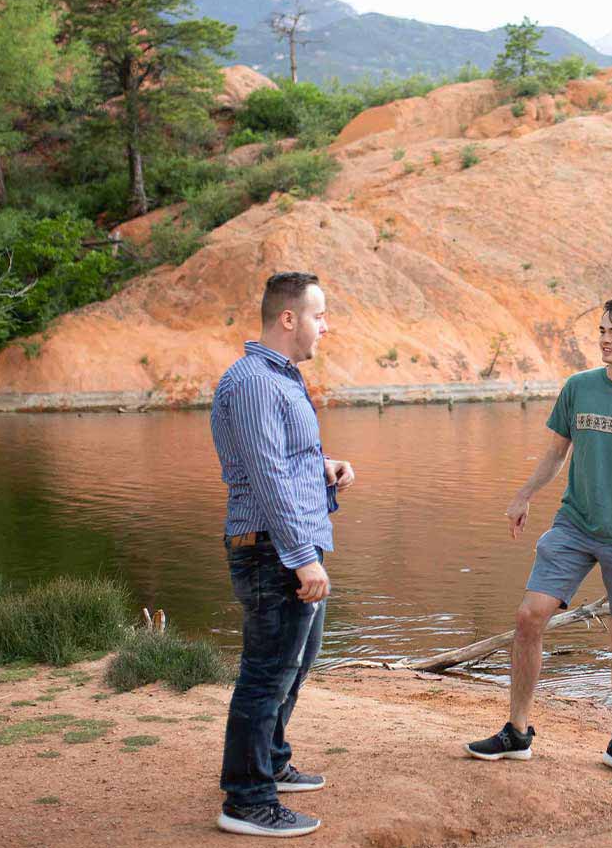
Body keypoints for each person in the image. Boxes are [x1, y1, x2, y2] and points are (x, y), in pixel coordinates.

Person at [466, 297, 612, 781]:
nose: (605, 340)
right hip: (574, 526)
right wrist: (523, 495)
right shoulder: (579, 388)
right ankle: (516, 732)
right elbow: (555, 454)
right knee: (529, 617)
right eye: (603, 331)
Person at [211, 272, 355, 838]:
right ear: (289, 318)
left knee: (293, 665)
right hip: (272, 551)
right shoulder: (252, 382)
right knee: (266, 674)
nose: (327, 326)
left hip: (286, 546)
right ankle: (246, 799)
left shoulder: (281, 378)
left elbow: (280, 458)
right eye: (320, 315)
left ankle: (269, 760)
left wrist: (325, 467)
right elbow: (266, 477)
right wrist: (302, 558)